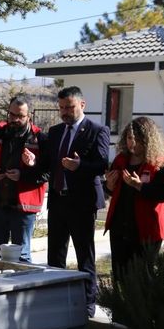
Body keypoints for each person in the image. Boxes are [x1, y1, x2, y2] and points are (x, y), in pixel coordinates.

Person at [43, 86, 109, 316]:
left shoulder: (97, 130)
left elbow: (102, 164)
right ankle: (55, 301)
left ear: (82, 105)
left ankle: (87, 303)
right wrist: (32, 162)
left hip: (82, 203)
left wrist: (80, 166)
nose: (65, 112)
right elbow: (48, 163)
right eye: (61, 108)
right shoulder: (55, 131)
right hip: (57, 200)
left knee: (84, 255)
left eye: (69, 107)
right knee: (55, 255)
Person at [0, 95, 49, 262]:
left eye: (20, 116)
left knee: (22, 255)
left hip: (22, 208)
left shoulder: (40, 138)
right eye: (12, 114)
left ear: (29, 116)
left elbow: (47, 172)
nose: (15, 119)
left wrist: (24, 174)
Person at [104, 117, 164, 284]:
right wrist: (109, 185)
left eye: (137, 139)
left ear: (148, 139)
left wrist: (139, 185)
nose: (132, 143)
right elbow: (111, 191)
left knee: (143, 278)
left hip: (146, 229)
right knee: (120, 276)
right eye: (129, 138)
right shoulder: (120, 160)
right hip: (120, 227)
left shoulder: (159, 164)